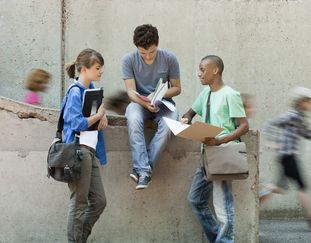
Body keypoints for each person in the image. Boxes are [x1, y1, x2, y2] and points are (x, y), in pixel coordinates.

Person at [182, 55, 249, 243]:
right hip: (206, 156)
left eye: (203, 69)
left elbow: (244, 126)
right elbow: (190, 112)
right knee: (195, 200)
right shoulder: (206, 94)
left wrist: (220, 140)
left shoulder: (230, 94)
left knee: (223, 207)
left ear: (215, 70)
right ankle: (218, 239)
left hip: (223, 154)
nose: (199, 73)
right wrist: (186, 119)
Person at [261, 86, 311, 231]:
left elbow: (309, 135)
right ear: (302, 102)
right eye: (310, 101)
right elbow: (270, 124)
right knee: (302, 187)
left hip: (287, 156)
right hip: (288, 156)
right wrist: (270, 142)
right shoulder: (292, 115)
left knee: (280, 188)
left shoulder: (299, 117)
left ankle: (258, 197)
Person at [122, 24, 181, 189]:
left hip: (164, 103)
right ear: (136, 48)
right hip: (139, 103)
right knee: (132, 118)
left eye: (151, 52)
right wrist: (145, 103)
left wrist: (159, 96)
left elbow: (177, 88)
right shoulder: (128, 60)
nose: (148, 57)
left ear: (158, 44)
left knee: (171, 122)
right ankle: (145, 171)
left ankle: (141, 170)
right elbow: (131, 92)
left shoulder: (170, 58)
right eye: (143, 53)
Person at [62, 48, 108, 242]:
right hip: (78, 152)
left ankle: (79, 238)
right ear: (84, 69)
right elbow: (75, 122)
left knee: (99, 201)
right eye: (97, 68)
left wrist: (101, 120)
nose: (100, 72)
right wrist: (97, 116)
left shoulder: (91, 93)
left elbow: (91, 123)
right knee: (79, 203)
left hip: (89, 152)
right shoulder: (75, 92)